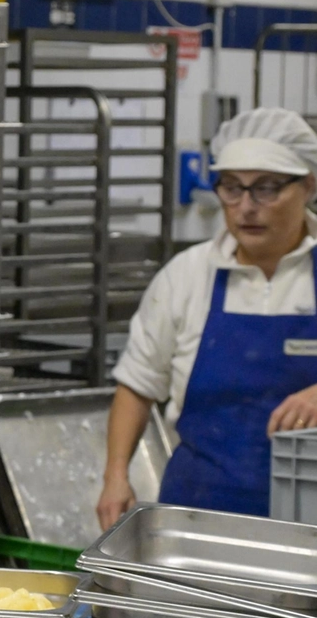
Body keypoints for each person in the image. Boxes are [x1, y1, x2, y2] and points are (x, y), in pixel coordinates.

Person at [97, 108, 317, 531]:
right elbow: (139, 385)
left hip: (307, 526)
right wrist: (115, 476)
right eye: (232, 189)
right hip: (197, 516)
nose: (246, 207)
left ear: (308, 186)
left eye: (266, 189)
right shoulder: (187, 275)